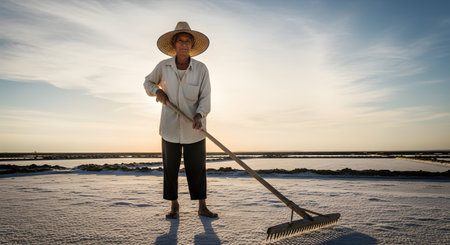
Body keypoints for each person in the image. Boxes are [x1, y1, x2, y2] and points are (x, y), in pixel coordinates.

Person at [143, 21, 217, 219]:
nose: (184, 44)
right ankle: (174, 206)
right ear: (174, 44)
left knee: (198, 169)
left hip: (195, 128)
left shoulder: (201, 69)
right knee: (171, 169)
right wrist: (157, 91)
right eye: (180, 41)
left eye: (187, 41)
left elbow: (205, 97)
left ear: (191, 45)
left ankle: (202, 206)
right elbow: (147, 82)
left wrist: (199, 115)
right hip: (170, 127)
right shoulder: (163, 67)